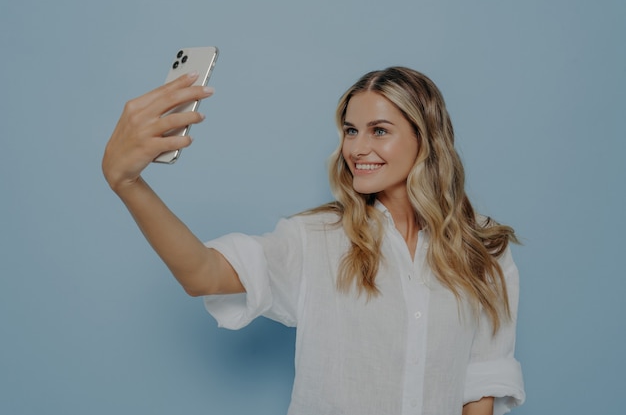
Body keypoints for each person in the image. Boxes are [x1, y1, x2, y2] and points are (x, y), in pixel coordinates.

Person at [102, 66, 525, 415]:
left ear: (425, 138)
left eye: (379, 131)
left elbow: (481, 380)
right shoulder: (315, 240)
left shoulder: (484, 248)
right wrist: (128, 183)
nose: (358, 148)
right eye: (350, 130)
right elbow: (202, 274)